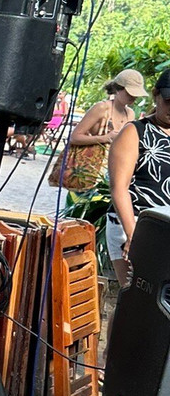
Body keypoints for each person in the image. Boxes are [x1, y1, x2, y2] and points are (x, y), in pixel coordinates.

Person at [107, 69, 170, 288]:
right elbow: (118, 188)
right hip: (135, 223)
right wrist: (133, 236)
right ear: (156, 96)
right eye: (168, 101)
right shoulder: (135, 131)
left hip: (166, 227)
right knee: (134, 300)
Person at [63, 68, 143, 189]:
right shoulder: (101, 108)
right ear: (118, 89)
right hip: (91, 172)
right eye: (130, 93)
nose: (133, 97)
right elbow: (74, 137)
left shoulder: (130, 114)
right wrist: (105, 138)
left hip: (114, 172)